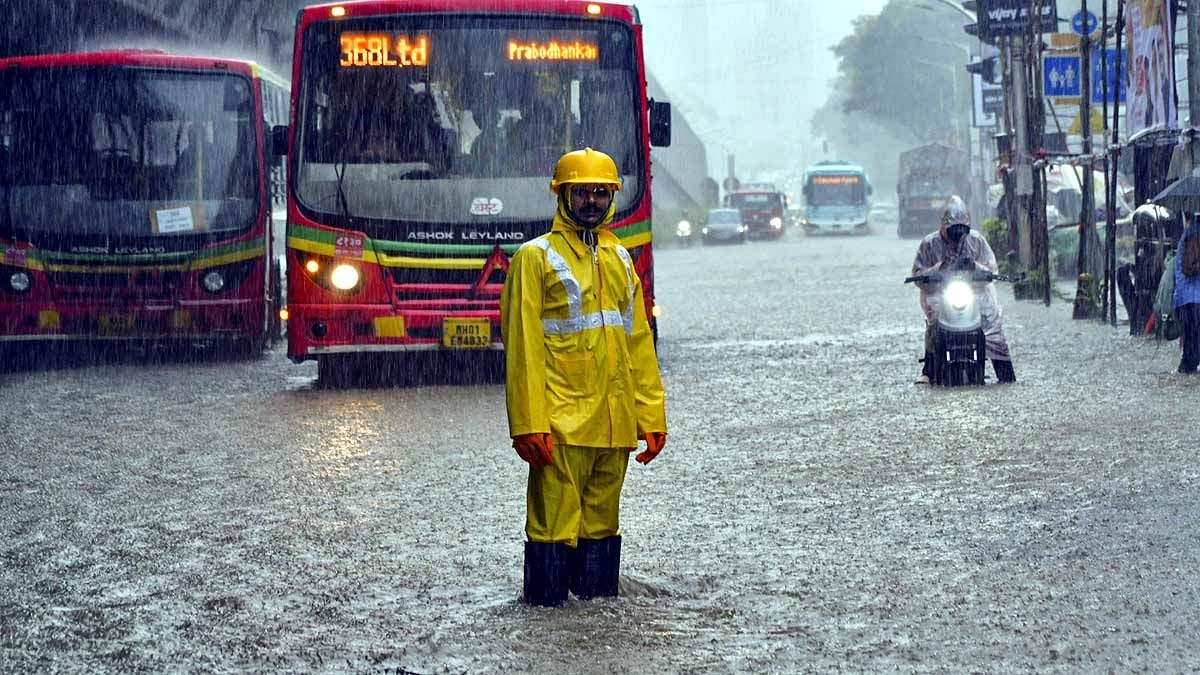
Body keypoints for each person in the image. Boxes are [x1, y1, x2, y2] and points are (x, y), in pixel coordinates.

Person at [500, 147, 667, 607]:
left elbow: (639, 344)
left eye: (600, 192)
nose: (592, 201)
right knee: (552, 528)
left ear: (612, 197)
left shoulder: (619, 258)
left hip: (612, 428)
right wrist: (528, 423)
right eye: (582, 193)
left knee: (601, 528)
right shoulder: (534, 259)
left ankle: (592, 629)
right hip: (560, 426)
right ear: (562, 196)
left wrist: (651, 417)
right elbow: (523, 348)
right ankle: (547, 622)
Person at [911, 195, 1016, 384]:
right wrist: (937, 269)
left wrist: (975, 266)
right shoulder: (929, 244)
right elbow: (917, 273)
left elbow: (992, 268)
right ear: (943, 225)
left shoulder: (976, 241)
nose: (958, 233)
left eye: (962, 228)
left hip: (975, 292)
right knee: (935, 321)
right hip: (939, 292)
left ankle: (1005, 372)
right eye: (953, 228)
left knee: (992, 324)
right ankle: (929, 368)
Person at [1172, 215, 1200, 373]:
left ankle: (1183, 376)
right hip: (1194, 300)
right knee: (1193, 349)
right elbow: (1191, 267)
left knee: (1191, 342)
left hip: (1184, 299)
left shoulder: (1187, 233)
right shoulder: (1194, 235)